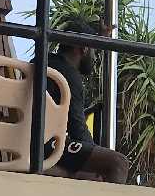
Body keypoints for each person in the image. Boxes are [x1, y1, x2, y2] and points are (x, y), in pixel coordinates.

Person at [45, 17, 130, 183]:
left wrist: (97, 39)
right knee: (118, 163)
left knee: (90, 173)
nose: (95, 57)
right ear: (83, 49)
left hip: (32, 141)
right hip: (45, 146)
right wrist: (94, 156)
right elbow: (78, 129)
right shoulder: (68, 76)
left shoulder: (45, 63)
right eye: (93, 51)